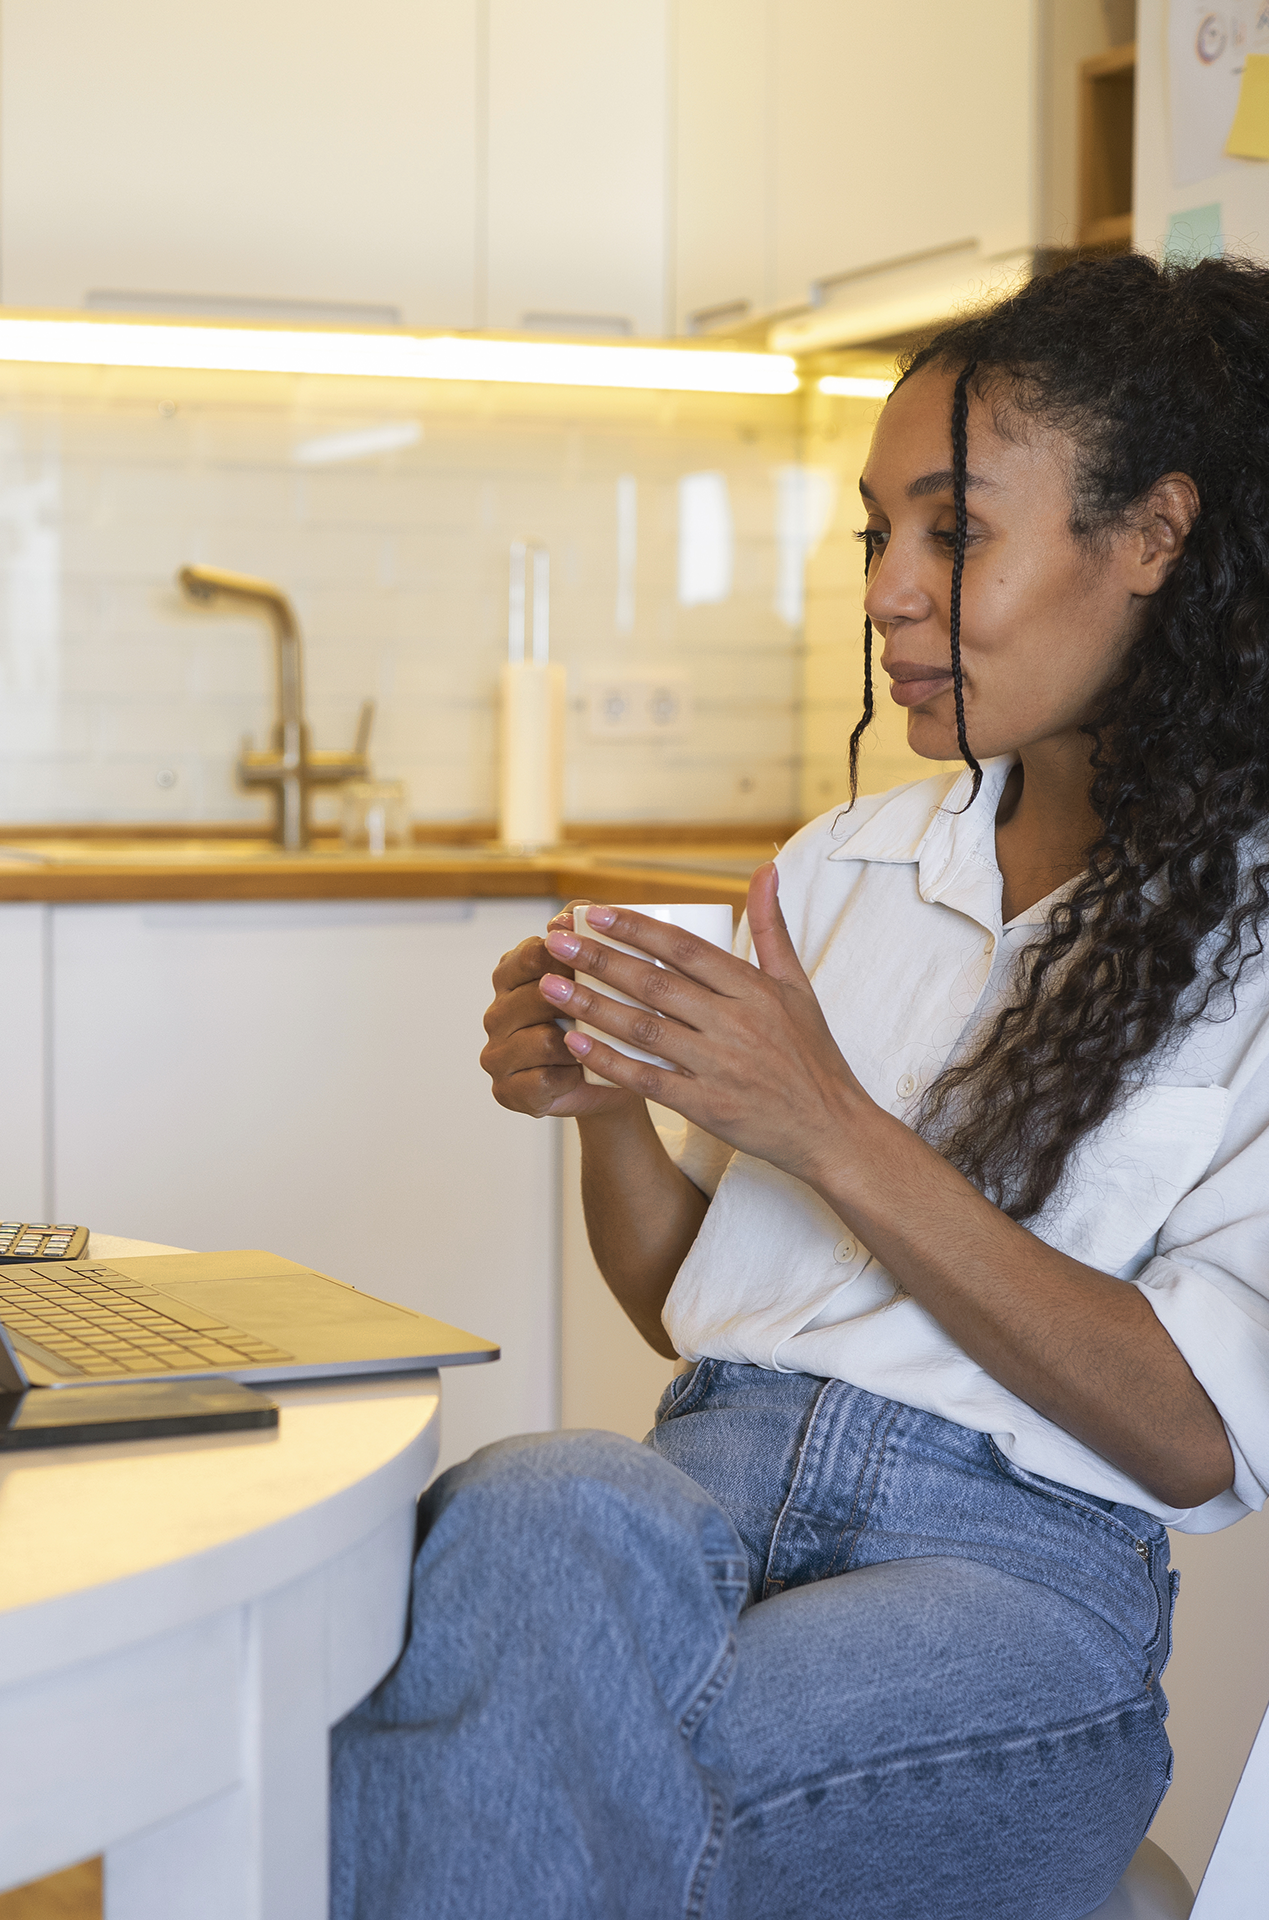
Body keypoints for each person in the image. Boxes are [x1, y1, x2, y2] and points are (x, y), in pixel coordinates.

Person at [330, 253, 1269, 1920]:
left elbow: (1196, 1432)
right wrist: (608, 1094)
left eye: (954, 532)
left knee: (475, 1742)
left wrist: (826, 1123)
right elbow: (688, 1299)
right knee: (526, 1503)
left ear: (1154, 538)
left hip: (1011, 1589)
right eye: (875, 536)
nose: (888, 594)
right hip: (702, 1486)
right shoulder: (849, 865)